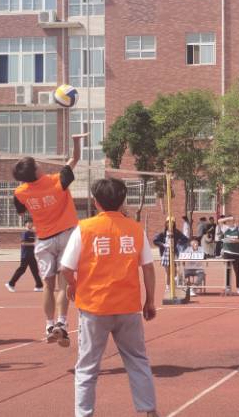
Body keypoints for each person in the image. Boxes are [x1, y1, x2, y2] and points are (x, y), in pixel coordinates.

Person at [58, 178, 159, 417]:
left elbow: (65, 267)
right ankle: (148, 410)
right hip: (127, 306)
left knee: (87, 366)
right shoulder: (135, 229)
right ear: (123, 201)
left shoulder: (85, 228)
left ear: (96, 202)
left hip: (94, 307)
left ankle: (84, 414)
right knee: (137, 360)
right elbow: (148, 267)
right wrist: (150, 300)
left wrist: (73, 285)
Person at [12, 133, 86, 347]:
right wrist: (76, 142)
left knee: (47, 285)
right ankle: (62, 323)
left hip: (44, 239)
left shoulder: (20, 192)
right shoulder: (57, 181)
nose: (40, 164)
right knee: (63, 284)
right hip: (66, 236)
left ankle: (49, 324)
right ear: (36, 170)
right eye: (36, 164)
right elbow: (75, 158)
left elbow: (20, 212)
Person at [6, 220, 44, 292]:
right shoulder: (25, 233)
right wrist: (33, 244)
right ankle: (10, 284)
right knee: (22, 270)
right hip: (25, 255)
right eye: (28, 223)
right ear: (26, 224)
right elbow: (23, 243)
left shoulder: (33, 233)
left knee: (35, 270)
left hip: (31, 255)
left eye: (31, 223)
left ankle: (39, 286)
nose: (30, 224)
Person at [218, 216, 239, 294]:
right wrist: (228, 218)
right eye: (228, 221)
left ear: (234, 221)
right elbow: (219, 221)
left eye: (231, 221)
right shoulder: (225, 228)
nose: (229, 222)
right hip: (227, 252)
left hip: (236, 253)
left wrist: (236, 241)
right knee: (227, 270)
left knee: (237, 271)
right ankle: (227, 287)